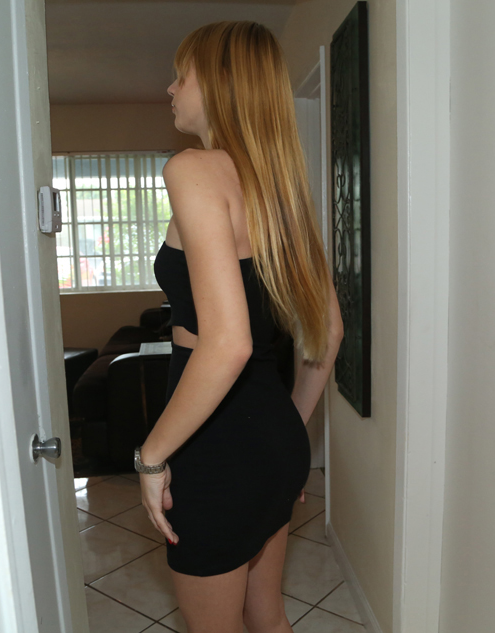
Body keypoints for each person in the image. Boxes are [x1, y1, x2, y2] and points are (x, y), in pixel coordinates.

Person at [135, 21, 344, 633]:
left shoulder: (193, 169)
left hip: (216, 445)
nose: (171, 88)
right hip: (274, 430)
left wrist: (151, 457)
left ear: (222, 83)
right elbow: (329, 333)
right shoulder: (280, 190)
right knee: (268, 618)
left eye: (183, 74)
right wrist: (288, 433)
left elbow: (227, 344)